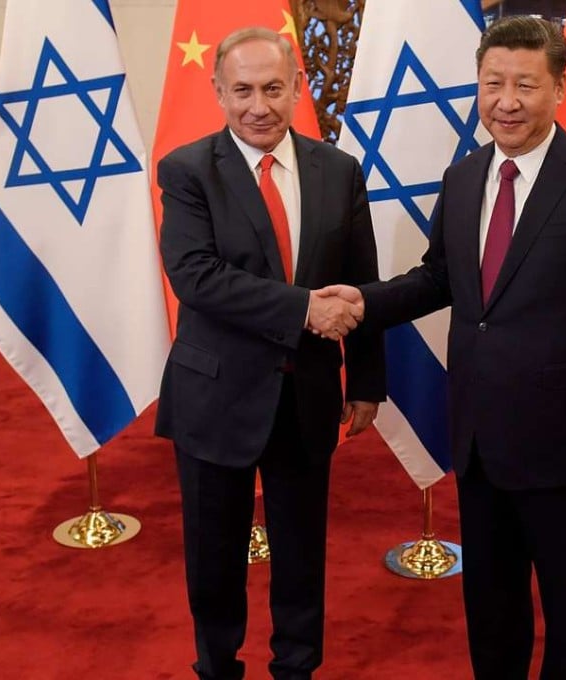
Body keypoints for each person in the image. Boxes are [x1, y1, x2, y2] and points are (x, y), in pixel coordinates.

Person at [319, 16, 566, 680]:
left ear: (560, 88)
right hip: (478, 433)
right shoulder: (464, 176)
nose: (507, 100)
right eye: (493, 82)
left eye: (526, 85)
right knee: (491, 601)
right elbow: (441, 278)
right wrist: (365, 303)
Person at [155, 27, 385, 680]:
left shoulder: (338, 171)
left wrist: (367, 380)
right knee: (213, 552)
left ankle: (297, 667)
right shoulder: (187, 169)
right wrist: (303, 309)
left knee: (301, 551)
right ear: (219, 92)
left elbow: (359, 281)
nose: (259, 105)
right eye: (244, 90)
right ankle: (217, 665)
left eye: (274, 88)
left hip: (305, 393)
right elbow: (195, 276)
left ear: (298, 88)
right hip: (214, 394)